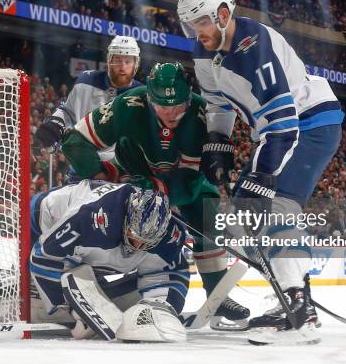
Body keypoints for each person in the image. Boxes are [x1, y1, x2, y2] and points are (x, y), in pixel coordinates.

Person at [177, 0, 344, 336]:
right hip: (275, 132)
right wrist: (218, 141)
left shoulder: (256, 47)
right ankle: (296, 299)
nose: (196, 31)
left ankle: (299, 302)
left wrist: (259, 178)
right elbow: (219, 102)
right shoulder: (205, 51)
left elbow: (284, 128)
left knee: (276, 207)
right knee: (252, 215)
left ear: (223, 14)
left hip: (310, 123)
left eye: (201, 22)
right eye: (191, 24)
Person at [61, 62, 250, 329]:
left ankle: (217, 293)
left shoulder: (201, 113)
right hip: (132, 179)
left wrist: (163, 194)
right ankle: (82, 278)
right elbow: (75, 141)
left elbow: (192, 179)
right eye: (164, 106)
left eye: (179, 106)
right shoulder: (127, 104)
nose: (172, 114)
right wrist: (98, 174)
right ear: (149, 98)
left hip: (182, 182)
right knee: (108, 222)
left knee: (206, 214)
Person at [29, 179, 188, 340]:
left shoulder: (170, 235)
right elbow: (43, 256)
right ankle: (31, 294)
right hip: (43, 215)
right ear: (126, 218)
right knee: (37, 294)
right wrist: (66, 309)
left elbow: (171, 275)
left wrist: (162, 309)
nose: (138, 246)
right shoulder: (90, 218)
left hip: (82, 247)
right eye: (134, 237)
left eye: (147, 242)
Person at [35, 35, 142, 157]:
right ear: (109, 60)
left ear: (136, 64)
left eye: (128, 61)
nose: (123, 67)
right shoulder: (86, 81)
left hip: (123, 170)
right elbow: (68, 111)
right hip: (84, 164)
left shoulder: (143, 95)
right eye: (117, 60)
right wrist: (55, 123)